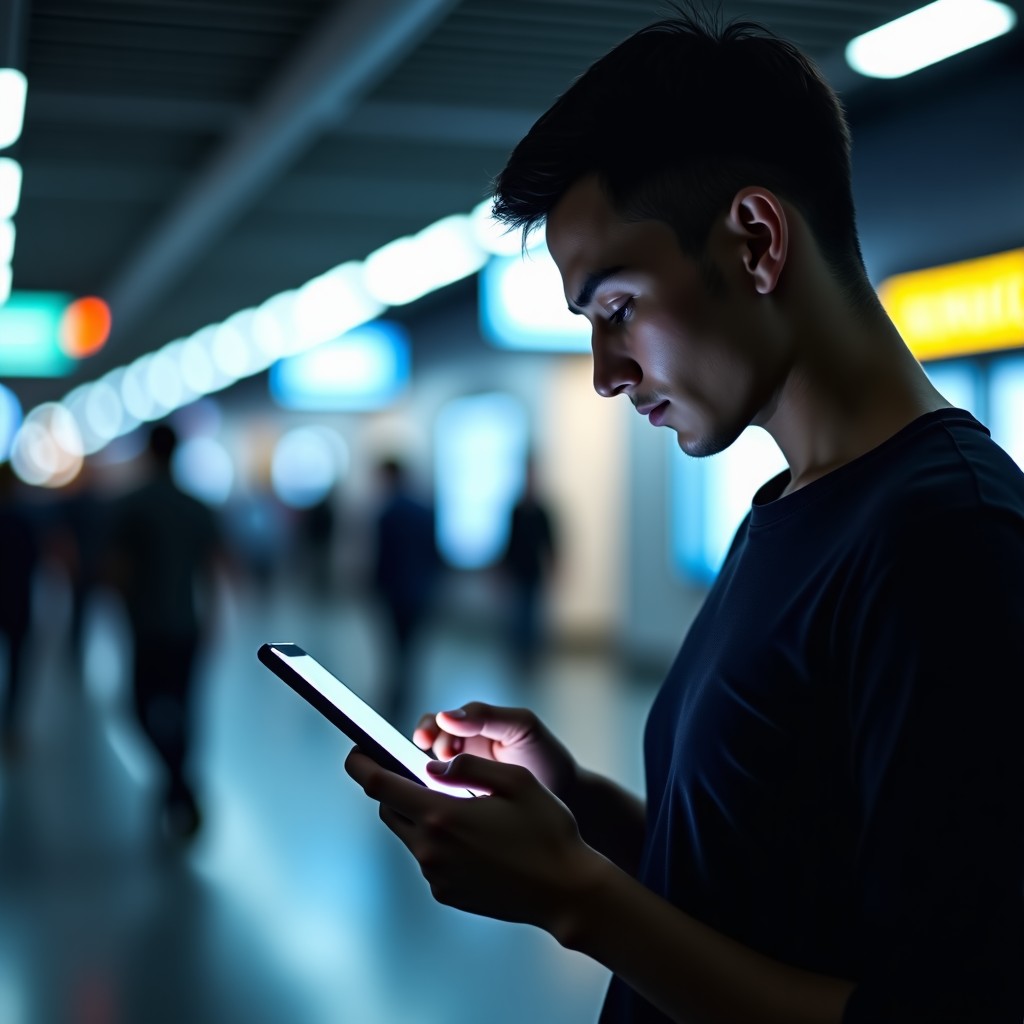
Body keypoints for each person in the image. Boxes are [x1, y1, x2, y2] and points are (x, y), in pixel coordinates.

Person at [346, 11, 1024, 1023]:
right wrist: (579, 806)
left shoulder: (947, 542)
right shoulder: (790, 507)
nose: (604, 374)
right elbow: (771, 874)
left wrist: (577, 901)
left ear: (754, 241)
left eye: (615, 308)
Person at [105, 423, 224, 841]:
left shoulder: (132, 504)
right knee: (185, 707)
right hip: (185, 623)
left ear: (147, 453)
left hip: (147, 625)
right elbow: (212, 570)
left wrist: (123, 613)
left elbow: (117, 569)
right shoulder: (196, 506)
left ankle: (177, 786)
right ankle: (180, 785)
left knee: (138, 707)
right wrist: (214, 620)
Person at [370, 457, 439, 731]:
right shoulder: (425, 510)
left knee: (394, 645)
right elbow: (434, 553)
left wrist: (374, 586)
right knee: (412, 645)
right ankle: (407, 691)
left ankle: (396, 693)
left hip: (395, 591)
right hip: (421, 589)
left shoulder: (388, 512)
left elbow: (383, 557)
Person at [499, 458, 557, 673]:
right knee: (518, 614)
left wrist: (553, 568)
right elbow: (508, 542)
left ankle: (530, 655)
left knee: (531, 615)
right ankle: (519, 653)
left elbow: (550, 543)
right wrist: (502, 571)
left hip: (534, 571)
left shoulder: (542, 511)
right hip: (518, 571)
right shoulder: (516, 510)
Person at [0, 462, 40, 758]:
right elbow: (35, 562)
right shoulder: (25, 519)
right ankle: (11, 726)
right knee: (17, 667)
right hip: (17, 602)